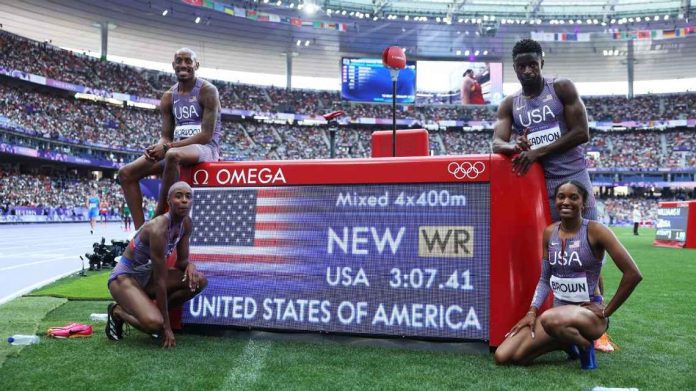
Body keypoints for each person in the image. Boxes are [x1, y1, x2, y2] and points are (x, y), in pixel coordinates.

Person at [494, 180, 642, 367]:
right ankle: (566, 342)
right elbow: (544, 279)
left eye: (573, 197)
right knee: (506, 356)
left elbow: (633, 274)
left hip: (589, 316)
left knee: (548, 317)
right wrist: (531, 312)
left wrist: (606, 311)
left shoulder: (596, 231)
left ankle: (584, 344)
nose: (566, 202)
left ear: (583, 203)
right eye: (561, 197)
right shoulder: (549, 232)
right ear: (555, 200)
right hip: (556, 318)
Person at [118, 48, 222, 230]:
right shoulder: (168, 97)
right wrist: (156, 148)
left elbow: (206, 135)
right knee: (125, 173)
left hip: (205, 148)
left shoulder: (207, 91)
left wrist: (167, 148)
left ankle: (159, 215)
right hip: (177, 147)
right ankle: (142, 232)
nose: (183, 65)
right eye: (179, 61)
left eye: (188, 61)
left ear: (196, 65)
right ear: (173, 65)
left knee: (173, 155)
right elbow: (165, 136)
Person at [106, 181, 207, 348]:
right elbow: (160, 280)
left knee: (199, 281)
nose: (184, 200)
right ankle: (117, 311)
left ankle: (149, 311)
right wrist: (166, 327)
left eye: (188, 197)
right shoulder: (158, 228)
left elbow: (182, 262)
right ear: (169, 201)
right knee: (155, 324)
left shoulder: (186, 224)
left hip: (147, 276)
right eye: (178, 196)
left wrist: (191, 266)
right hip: (125, 278)